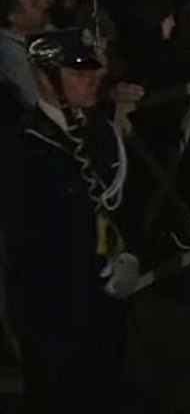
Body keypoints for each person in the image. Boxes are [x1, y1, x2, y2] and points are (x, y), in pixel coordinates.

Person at [2, 28, 145, 413]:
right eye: (78, 74)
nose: (92, 81)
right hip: (53, 311)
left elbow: (126, 205)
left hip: (106, 301)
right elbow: (30, 240)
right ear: (44, 78)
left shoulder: (102, 132)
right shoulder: (21, 146)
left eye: (94, 73)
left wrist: (130, 254)